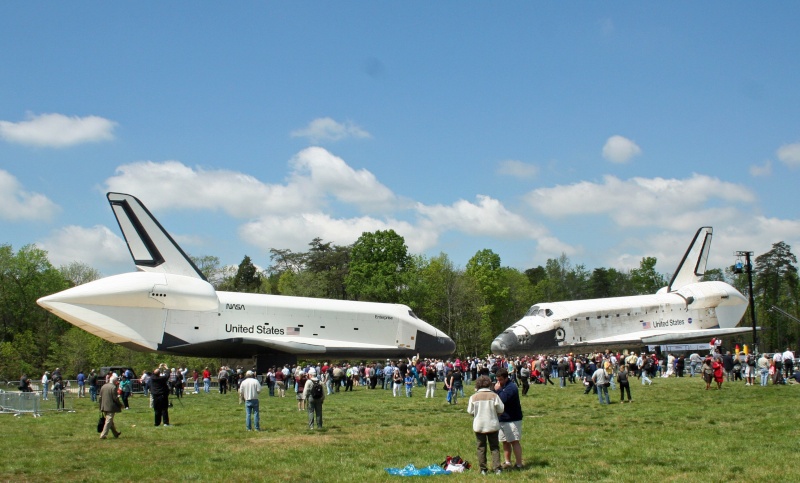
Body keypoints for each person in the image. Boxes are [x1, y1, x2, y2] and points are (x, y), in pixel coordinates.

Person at [467, 375, 504, 475]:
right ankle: (497, 468)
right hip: (492, 424)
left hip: (479, 425)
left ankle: (483, 469)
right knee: (494, 447)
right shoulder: (494, 396)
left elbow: (470, 411)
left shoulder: (473, 397)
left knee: (481, 447)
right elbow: (501, 409)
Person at [493, 369, 523, 470]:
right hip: (502, 418)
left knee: (514, 441)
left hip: (512, 419)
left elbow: (503, 399)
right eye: (497, 380)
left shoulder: (512, 387)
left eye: (501, 380)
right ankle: (507, 462)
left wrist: (498, 390)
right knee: (504, 441)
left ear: (506, 378)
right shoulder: (500, 386)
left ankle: (519, 464)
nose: (498, 382)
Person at [98, 374, 122, 439]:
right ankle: (103, 435)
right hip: (111, 407)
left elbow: (100, 397)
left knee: (110, 421)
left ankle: (115, 433)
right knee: (108, 420)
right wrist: (120, 405)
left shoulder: (103, 386)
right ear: (114, 381)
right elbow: (115, 398)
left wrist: (100, 406)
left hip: (103, 406)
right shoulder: (113, 387)